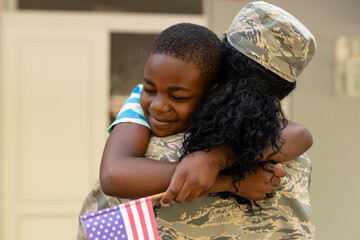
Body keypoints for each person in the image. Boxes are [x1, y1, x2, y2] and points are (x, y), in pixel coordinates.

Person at [78, 2, 316, 238]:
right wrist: (228, 181)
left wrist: (213, 159)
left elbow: (300, 135)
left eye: (178, 96)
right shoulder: (292, 163)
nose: (159, 105)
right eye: (151, 90)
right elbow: (113, 175)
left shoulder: (229, 120)